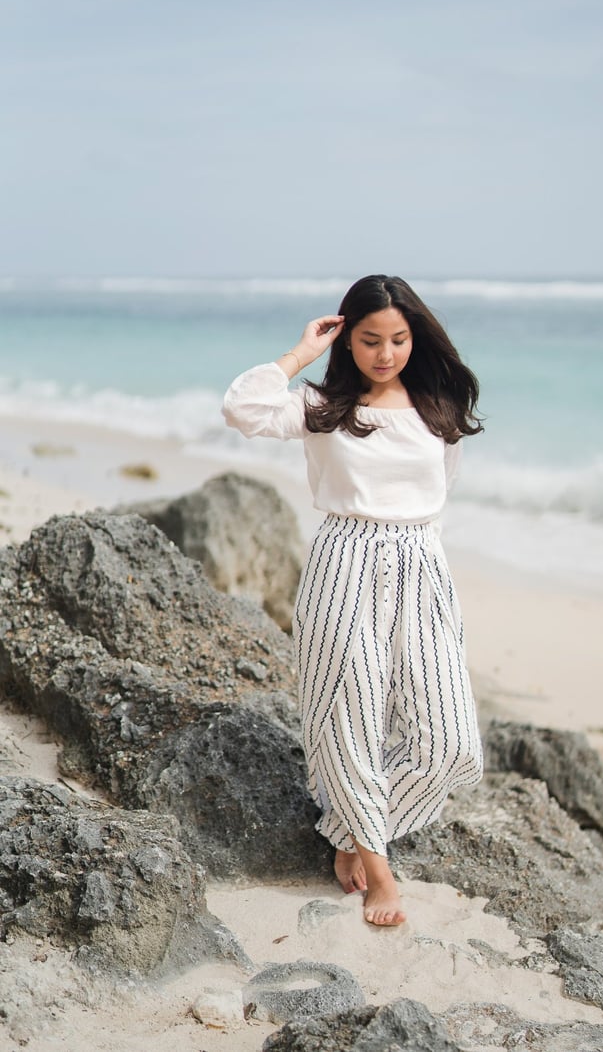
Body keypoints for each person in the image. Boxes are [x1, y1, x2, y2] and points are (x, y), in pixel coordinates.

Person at [222, 274, 484, 927]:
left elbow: (438, 498)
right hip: (344, 561)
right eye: (371, 340)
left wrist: (427, 579)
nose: (386, 353)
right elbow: (243, 410)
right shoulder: (322, 405)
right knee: (350, 720)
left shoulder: (437, 408)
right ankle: (380, 870)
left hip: (421, 563)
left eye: (398, 339)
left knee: (450, 745)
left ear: (415, 338)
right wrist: (298, 355)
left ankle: (345, 832)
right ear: (349, 339)